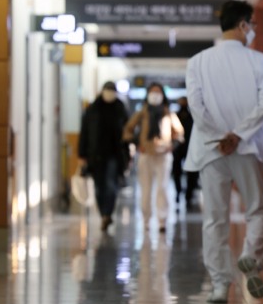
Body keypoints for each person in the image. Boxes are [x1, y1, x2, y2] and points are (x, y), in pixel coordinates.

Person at [184, 0, 263, 303]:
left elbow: (196, 106)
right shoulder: (259, 60)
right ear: (243, 25)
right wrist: (238, 134)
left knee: (215, 218)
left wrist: (219, 136)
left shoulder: (197, 62)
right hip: (250, 147)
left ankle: (220, 285)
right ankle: (250, 258)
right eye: (252, 25)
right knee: (258, 209)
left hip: (212, 150)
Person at [123, 82, 184, 233]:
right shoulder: (142, 113)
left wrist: (172, 145)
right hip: (145, 154)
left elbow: (179, 133)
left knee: (162, 188)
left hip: (163, 155)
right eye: (152, 92)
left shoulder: (168, 113)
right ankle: (146, 219)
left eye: (158, 92)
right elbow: (128, 130)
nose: (155, 95)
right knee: (146, 189)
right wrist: (137, 143)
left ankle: (162, 219)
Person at [78, 81, 129, 232]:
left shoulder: (120, 109)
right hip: (96, 155)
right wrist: (82, 154)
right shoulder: (93, 109)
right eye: (107, 90)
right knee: (99, 187)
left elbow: (127, 132)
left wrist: (127, 154)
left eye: (112, 90)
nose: (109, 93)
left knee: (111, 185)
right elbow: (84, 132)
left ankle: (108, 212)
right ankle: (103, 214)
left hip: (115, 154)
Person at [172, 96, 199, 211]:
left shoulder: (194, 115)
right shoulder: (175, 115)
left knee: (192, 173)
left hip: (191, 148)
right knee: (176, 173)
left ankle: (188, 195)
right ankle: (178, 192)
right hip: (178, 149)